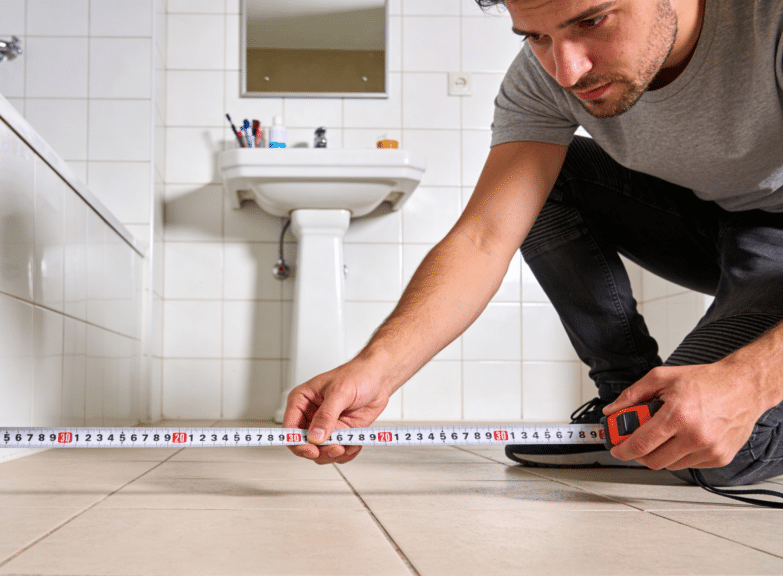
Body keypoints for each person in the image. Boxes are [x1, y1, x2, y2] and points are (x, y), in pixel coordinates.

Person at [283, 0, 783, 488]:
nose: (567, 71)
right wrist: (376, 369)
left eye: (593, 21)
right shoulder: (540, 78)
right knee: (545, 182)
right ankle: (620, 407)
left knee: (724, 449)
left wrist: (748, 381)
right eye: (537, 36)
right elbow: (484, 238)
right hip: (716, 225)